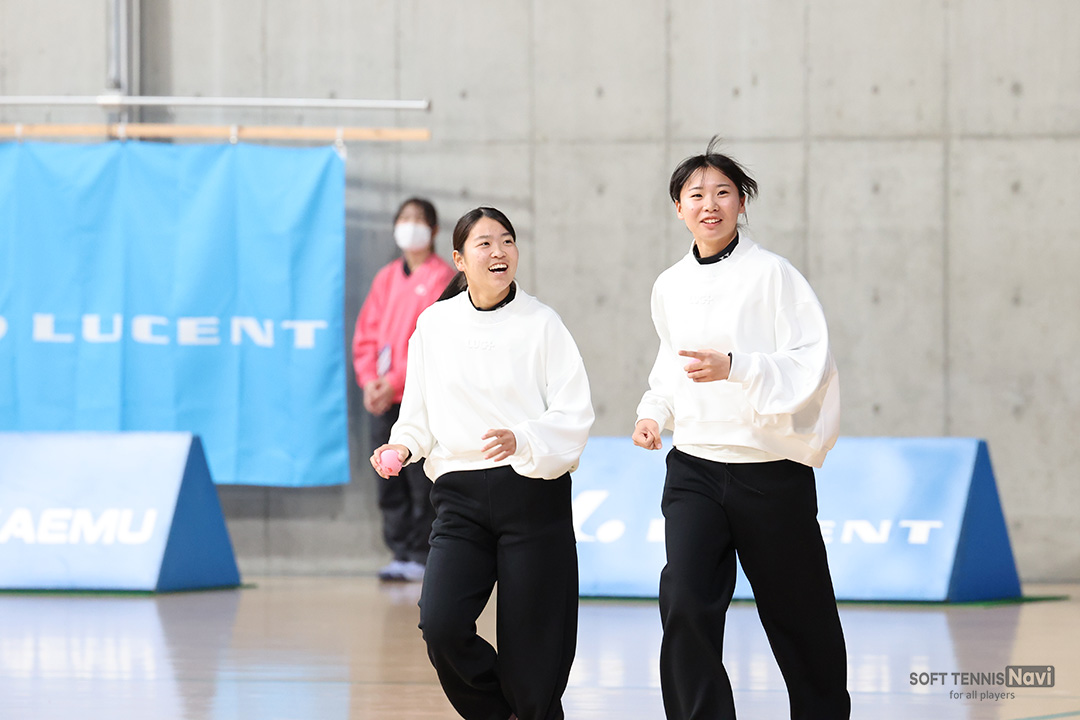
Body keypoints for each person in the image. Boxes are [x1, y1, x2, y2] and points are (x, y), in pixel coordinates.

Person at [632, 139, 850, 720]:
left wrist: (737, 366)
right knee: (684, 602)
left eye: (723, 193)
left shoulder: (774, 275)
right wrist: (654, 413)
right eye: (696, 195)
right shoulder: (669, 284)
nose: (710, 204)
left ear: (742, 203)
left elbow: (811, 362)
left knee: (800, 617)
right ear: (678, 208)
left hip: (769, 472)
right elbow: (669, 364)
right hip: (695, 468)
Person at [371, 206, 593, 720]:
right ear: (459, 259)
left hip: (532, 494)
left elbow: (574, 413)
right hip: (459, 500)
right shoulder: (434, 324)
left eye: (507, 241)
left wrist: (524, 437)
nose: (499, 252)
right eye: (485, 243)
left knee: (534, 649)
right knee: (441, 623)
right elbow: (417, 415)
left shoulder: (542, 323)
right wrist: (401, 447)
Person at [353, 197, 455, 582]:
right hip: (383, 398)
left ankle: (422, 553)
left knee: (420, 478)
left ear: (434, 230)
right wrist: (370, 381)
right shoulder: (386, 278)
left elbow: (435, 343)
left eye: (418, 219)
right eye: (404, 218)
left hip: (420, 396)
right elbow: (367, 334)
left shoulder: (442, 278)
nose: (410, 226)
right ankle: (399, 551)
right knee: (387, 475)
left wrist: (396, 380)